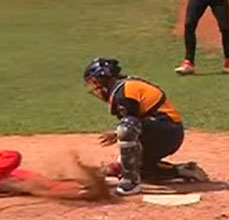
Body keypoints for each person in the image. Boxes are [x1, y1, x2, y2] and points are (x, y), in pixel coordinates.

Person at [83, 57, 209, 196]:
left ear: (104, 78)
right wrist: (119, 166)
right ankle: (183, 170)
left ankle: (130, 183)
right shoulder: (122, 89)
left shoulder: (124, 91)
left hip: (167, 131)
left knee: (126, 127)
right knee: (141, 170)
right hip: (161, 131)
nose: (96, 88)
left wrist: (119, 163)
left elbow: (131, 126)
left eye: (95, 82)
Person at [0, 150, 99, 202]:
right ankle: (88, 187)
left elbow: (10, 157)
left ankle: (90, 187)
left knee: (41, 186)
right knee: (33, 186)